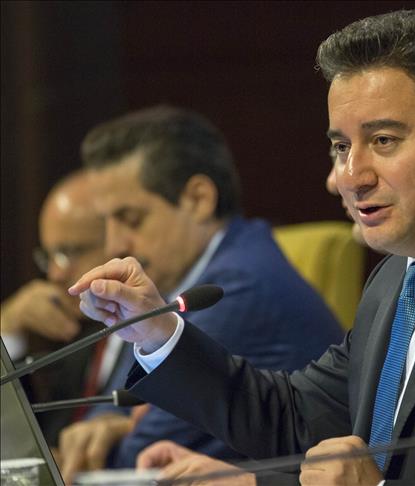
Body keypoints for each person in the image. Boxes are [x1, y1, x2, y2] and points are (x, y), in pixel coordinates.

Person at [70, 11, 415, 485]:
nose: (350, 176)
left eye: (383, 141)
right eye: (342, 147)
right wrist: (157, 332)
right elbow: (297, 418)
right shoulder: (399, 277)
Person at [57, 106, 344, 482]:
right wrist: (111, 421)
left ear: (198, 199)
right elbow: (115, 402)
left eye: (131, 219)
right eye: (106, 223)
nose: (114, 243)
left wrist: (119, 432)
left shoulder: (239, 288)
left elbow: (134, 462)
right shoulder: (180, 276)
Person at [0, 170, 128, 446]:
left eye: (70, 252)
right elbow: (26, 444)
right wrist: (8, 331)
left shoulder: (156, 328)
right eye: (50, 256)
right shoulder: (78, 338)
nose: (55, 274)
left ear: (119, 241)